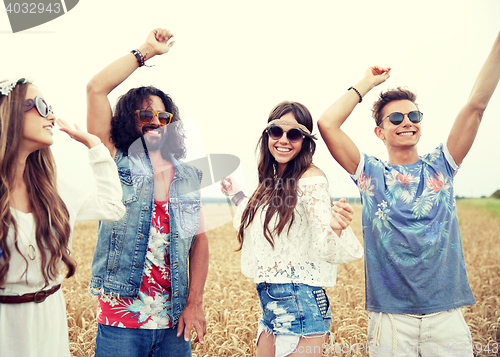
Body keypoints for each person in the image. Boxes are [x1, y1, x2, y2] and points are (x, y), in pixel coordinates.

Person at [317, 31, 500, 357]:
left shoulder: (441, 167)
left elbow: (475, 107)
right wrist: (365, 83)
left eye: (414, 115)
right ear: (380, 131)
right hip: (390, 319)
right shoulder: (370, 174)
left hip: (446, 315)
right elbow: (328, 123)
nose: (407, 122)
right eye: (396, 117)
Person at [86, 28, 209, 357]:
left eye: (162, 116)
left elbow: (199, 241)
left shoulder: (187, 176)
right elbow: (96, 89)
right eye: (145, 114)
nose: (155, 121)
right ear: (129, 119)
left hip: (174, 324)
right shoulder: (115, 161)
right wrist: (146, 51)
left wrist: (195, 302)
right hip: (121, 322)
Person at [221, 101, 363, 357]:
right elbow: (256, 222)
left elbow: (324, 244)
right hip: (270, 303)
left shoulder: (310, 178)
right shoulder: (272, 181)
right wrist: (236, 194)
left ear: (305, 141)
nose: (284, 139)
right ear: (267, 136)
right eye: (277, 131)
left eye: (294, 134)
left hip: (301, 302)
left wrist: (334, 228)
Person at [0, 78, 125, 357]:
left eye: (51, 108)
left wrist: (95, 146)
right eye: (42, 106)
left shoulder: (53, 191)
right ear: (8, 112)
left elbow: (112, 207)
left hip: (48, 322)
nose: (52, 116)